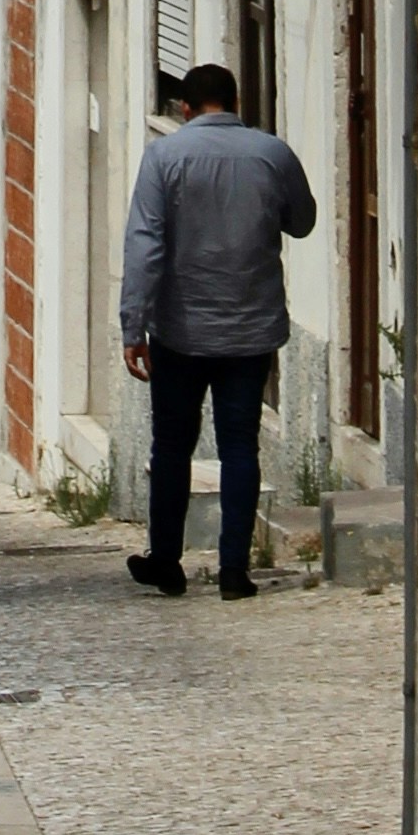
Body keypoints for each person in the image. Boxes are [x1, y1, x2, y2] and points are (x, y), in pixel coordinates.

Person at [117, 61, 315, 600]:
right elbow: (303, 221)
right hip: (251, 329)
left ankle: (166, 560)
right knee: (240, 446)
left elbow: (145, 245)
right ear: (235, 101)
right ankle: (234, 570)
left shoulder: (163, 157)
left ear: (184, 107)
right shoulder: (272, 154)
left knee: (172, 446)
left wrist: (133, 326)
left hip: (180, 330)